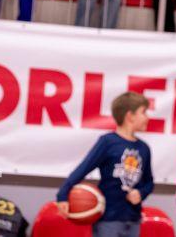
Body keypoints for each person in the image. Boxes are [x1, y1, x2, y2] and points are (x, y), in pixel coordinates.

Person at [58, 92, 155, 237]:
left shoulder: (144, 148)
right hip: (108, 220)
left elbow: (149, 182)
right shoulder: (108, 142)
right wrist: (63, 194)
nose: (147, 117)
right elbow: (83, 169)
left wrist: (141, 193)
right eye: (143, 112)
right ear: (130, 116)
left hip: (133, 220)